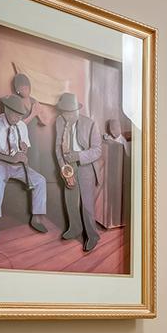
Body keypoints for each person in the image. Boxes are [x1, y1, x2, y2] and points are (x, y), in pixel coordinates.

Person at [0, 93, 49, 242]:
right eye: (15, 114)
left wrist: (23, 149)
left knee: (40, 180)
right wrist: (11, 158)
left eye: (20, 115)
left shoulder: (21, 125)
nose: (17, 118)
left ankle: (36, 219)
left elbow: (23, 149)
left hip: (15, 164)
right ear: (6, 109)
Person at [53, 92, 102, 251]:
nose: (67, 116)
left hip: (85, 165)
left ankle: (93, 236)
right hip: (69, 165)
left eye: (70, 113)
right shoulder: (59, 121)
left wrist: (78, 156)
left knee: (87, 205)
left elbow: (97, 150)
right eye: (64, 113)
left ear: (77, 110)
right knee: (70, 201)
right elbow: (57, 148)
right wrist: (63, 168)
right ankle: (75, 229)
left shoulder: (91, 123)